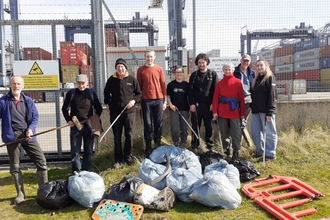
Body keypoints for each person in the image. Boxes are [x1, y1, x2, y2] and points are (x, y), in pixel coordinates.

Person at [0, 75, 48, 204]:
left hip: (28, 136)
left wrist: (31, 129)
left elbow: (35, 117)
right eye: (14, 83)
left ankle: (44, 191)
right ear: (10, 85)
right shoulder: (3, 101)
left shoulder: (28, 101)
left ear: (23, 86)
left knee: (42, 162)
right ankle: (20, 194)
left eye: (18, 84)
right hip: (12, 137)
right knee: (15, 166)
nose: (16, 86)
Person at [104, 58, 142, 168]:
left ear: (125, 68)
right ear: (116, 68)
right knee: (117, 136)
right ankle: (118, 159)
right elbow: (106, 93)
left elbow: (139, 94)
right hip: (115, 113)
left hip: (130, 112)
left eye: (122, 66)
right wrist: (107, 103)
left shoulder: (132, 79)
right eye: (118, 66)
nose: (120, 68)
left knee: (129, 135)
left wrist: (134, 101)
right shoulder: (111, 80)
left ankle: (128, 156)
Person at [62, 74, 102, 173]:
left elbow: (99, 108)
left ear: (87, 83)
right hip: (75, 126)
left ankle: (85, 171)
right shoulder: (71, 94)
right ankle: (77, 171)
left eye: (83, 83)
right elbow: (64, 109)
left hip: (89, 126)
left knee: (88, 150)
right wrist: (68, 120)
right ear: (76, 83)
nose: (81, 86)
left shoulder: (91, 94)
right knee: (75, 151)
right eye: (79, 83)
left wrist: (95, 120)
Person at [137, 50, 167, 158]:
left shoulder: (159, 69)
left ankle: (158, 145)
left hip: (158, 100)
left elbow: (163, 85)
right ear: (144, 57)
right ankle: (148, 147)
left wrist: (165, 101)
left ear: (154, 57)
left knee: (158, 123)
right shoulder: (141, 70)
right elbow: (139, 87)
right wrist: (139, 103)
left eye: (151, 56)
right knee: (148, 124)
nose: (149, 58)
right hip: (146, 101)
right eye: (147, 56)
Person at [212, 63, 246, 160]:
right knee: (224, 132)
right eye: (226, 69)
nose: (227, 71)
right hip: (222, 112)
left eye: (229, 69)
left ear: (233, 70)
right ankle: (227, 150)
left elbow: (241, 99)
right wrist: (215, 112)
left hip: (234, 111)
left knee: (236, 132)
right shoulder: (219, 83)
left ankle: (236, 151)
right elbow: (215, 99)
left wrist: (242, 114)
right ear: (223, 70)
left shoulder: (238, 82)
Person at [188, 53, 219, 150]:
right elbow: (190, 91)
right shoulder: (194, 75)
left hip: (208, 106)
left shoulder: (212, 74)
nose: (201, 64)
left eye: (203, 62)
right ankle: (195, 145)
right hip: (196, 106)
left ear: (207, 62)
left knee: (209, 126)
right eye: (199, 63)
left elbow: (216, 91)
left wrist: (213, 105)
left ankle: (210, 146)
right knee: (195, 126)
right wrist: (192, 104)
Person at [250, 59, 278, 161]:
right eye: (257, 66)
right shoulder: (257, 79)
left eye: (261, 65)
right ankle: (260, 151)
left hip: (266, 111)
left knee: (269, 132)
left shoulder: (270, 77)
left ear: (266, 66)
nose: (259, 67)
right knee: (255, 131)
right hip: (256, 111)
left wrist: (270, 111)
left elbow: (273, 95)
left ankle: (270, 154)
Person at [234, 54, 256, 147]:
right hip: (237, 99)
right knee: (239, 122)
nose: (245, 63)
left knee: (242, 122)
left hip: (248, 98)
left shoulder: (252, 73)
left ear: (249, 62)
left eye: (247, 61)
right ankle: (246, 144)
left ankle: (245, 144)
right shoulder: (235, 71)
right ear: (241, 61)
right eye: (244, 60)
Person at [166, 66, 189, 147]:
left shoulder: (186, 85)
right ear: (174, 74)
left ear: (182, 74)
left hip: (184, 109)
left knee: (184, 128)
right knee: (175, 129)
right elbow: (168, 96)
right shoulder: (170, 85)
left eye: (180, 72)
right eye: (177, 72)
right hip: (174, 110)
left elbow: (189, 97)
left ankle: (183, 143)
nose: (179, 74)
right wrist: (171, 105)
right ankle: (175, 142)